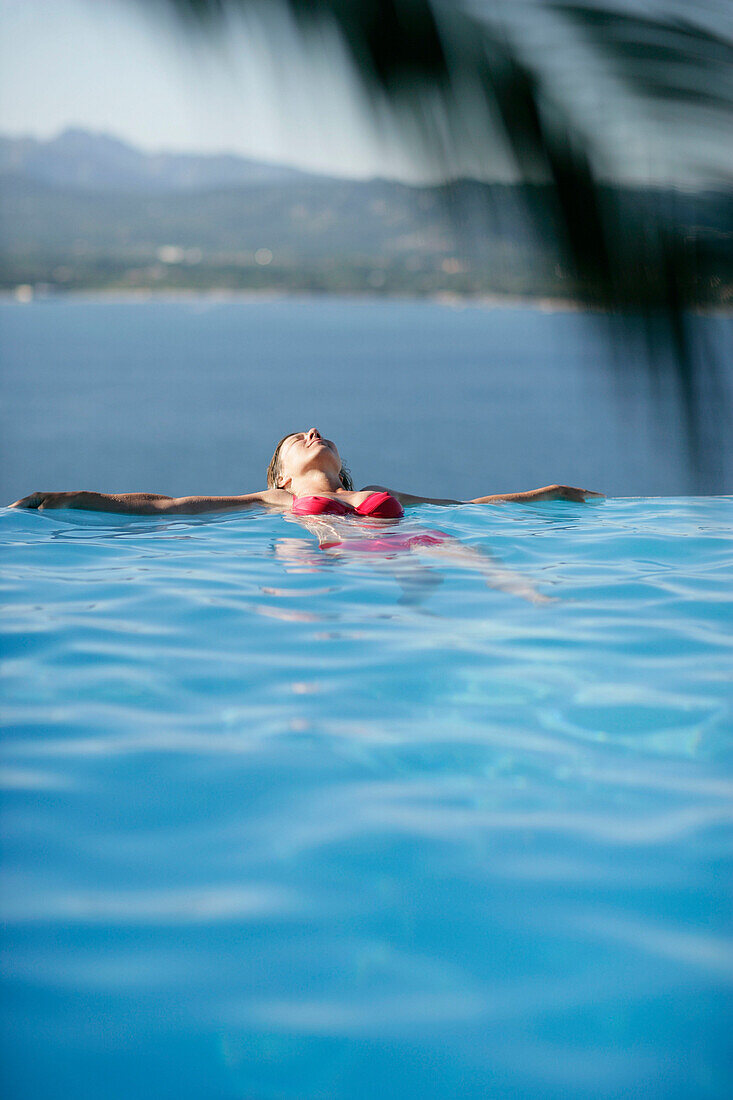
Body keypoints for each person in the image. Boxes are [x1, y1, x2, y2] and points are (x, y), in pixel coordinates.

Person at [10, 427, 603, 516]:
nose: (313, 434)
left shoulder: (381, 493)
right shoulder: (270, 502)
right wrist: (72, 497)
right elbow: (169, 506)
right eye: (298, 439)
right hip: (333, 550)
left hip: (406, 546)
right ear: (283, 477)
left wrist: (553, 493)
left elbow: (474, 509)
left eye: (321, 436)